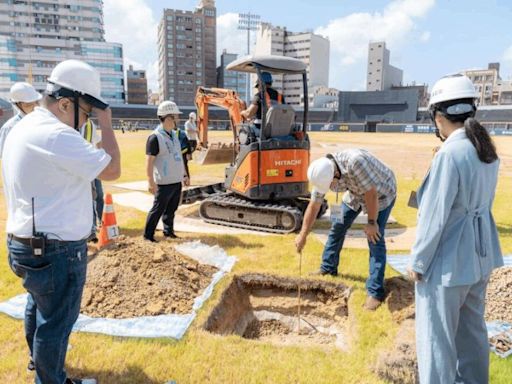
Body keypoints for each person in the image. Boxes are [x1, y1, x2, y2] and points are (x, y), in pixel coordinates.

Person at [3, 59, 120, 384]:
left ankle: (41, 367)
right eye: (86, 113)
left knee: (38, 307)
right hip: (55, 250)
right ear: (66, 103)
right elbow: (112, 170)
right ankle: (49, 378)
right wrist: (107, 125)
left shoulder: (24, 126)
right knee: (56, 323)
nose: (87, 121)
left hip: (26, 242)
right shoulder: (55, 135)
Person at [407, 74, 503, 384]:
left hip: (448, 263)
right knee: (472, 334)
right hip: (479, 258)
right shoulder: (484, 150)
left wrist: (418, 263)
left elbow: (433, 217)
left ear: (438, 116)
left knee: (436, 342)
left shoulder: (450, 153)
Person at [295, 150, 396, 310]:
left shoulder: (356, 163)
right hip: (355, 193)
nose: (330, 188)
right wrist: (303, 234)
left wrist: (371, 222)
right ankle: (328, 268)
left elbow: (371, 195)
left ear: (335, 174)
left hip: (381, 194)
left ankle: (375, 292)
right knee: (337, 227)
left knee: (374, 238)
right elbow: (314, 205)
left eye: (330, 185)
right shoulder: (323, 171)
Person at [144, 101, 189, 242]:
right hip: (163, 182)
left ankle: (168, 231)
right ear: (168, 117)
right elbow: (149, 162)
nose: (178, 119)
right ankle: (148, 236)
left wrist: (184, 174)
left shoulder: (174, 135)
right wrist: (151, 182)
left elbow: (179, 157)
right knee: (157, 209)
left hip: (176, 180)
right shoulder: (155, 138)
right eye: (176, 116)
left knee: (171, 209)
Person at [0, 82, 42, 158]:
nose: (35, 107)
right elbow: (3, 156)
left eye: (36, 102)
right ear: (17, 105)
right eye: (29, 105)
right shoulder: (9, 128)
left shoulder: (41, 121)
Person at [241, 71, 284, 137]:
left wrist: (242, 112)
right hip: (277, 130)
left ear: (260, 83)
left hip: (262, 130)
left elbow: (248, 114)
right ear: (271, 83)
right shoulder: (280, 96)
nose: (258, 89)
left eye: (257, 86)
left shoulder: (259, 96)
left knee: (244, 131)